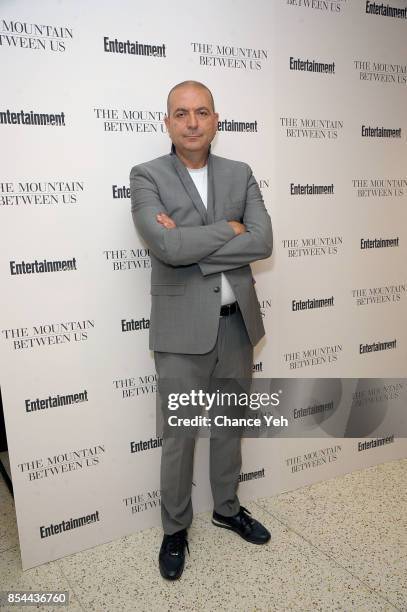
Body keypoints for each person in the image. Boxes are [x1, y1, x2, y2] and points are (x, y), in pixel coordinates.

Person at [130, 80, 273, 580]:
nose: (192, 122)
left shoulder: (240, 173)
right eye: (181, 113)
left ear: (216, 120)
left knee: (230, 428)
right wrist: (230, 231)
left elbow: (263, 241)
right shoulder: (146, 175)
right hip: (179, 334)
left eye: (202, 112)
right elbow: (165, 249)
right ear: (167, 121)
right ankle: (175, 527)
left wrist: (192, 241)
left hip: (236, 328)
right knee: (179, 437)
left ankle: (228, 508)